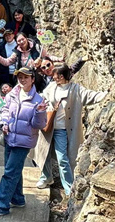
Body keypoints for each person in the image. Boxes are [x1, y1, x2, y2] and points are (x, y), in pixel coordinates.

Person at [34, 64, 107, 195]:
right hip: (47, 126)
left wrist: (107, 94)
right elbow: (42, 97)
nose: (53, 77)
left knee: (63, 159)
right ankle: (46, 177)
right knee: (43, 153)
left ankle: (68, 187)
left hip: (62, 130)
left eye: (55, 75)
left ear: (61, 76)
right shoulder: (52, 86)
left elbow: (91, 96)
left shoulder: (76, 89)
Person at [0, 67, 47, 217]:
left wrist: (39, 112)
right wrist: (4, 123)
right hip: (9, 138)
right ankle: (17, 199)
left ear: (32, 79)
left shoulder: (38, 100)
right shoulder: (12, 94)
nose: (22, 79)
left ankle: (1, 205)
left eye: (26, 77)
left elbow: (39, 125)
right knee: (13, 170)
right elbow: (5, 110)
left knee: (10, 172)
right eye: (20, 77)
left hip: (24, 142)